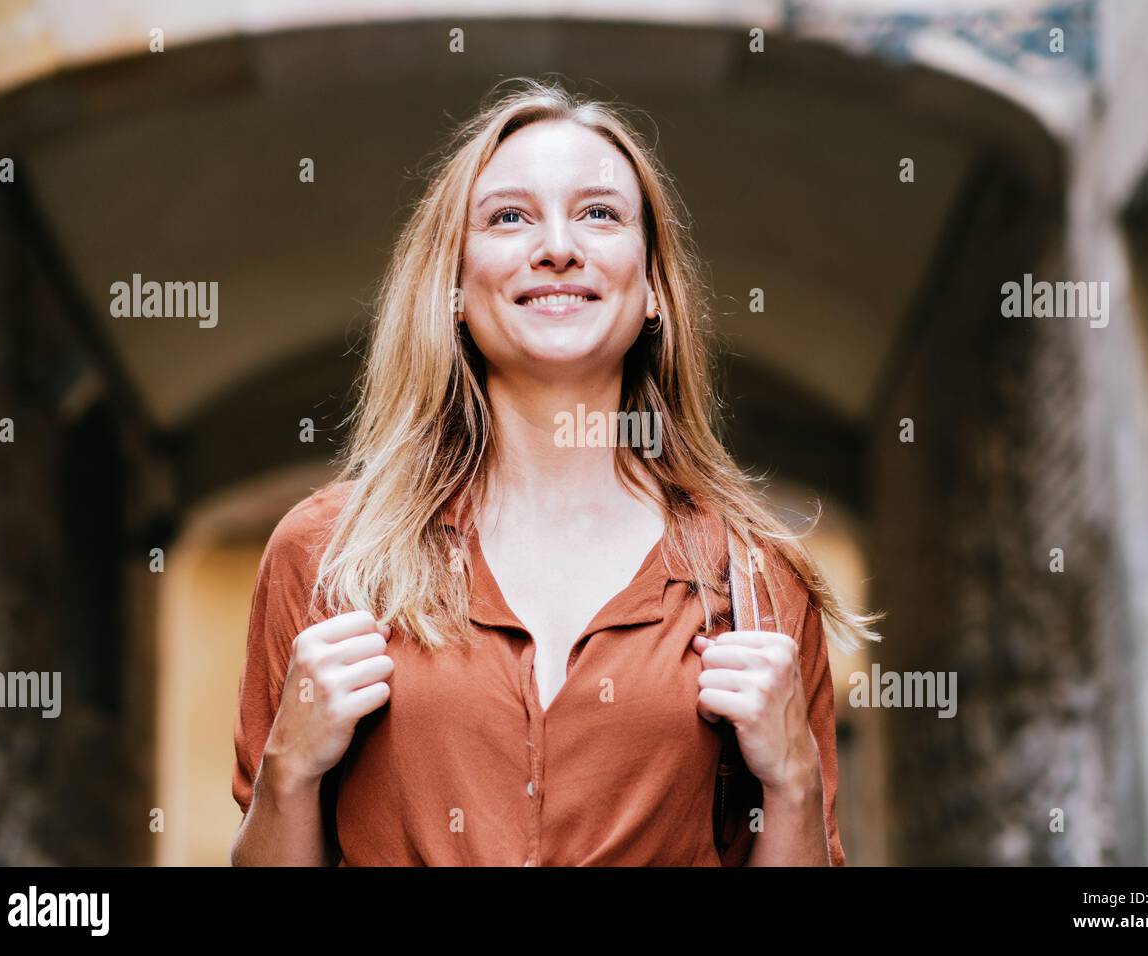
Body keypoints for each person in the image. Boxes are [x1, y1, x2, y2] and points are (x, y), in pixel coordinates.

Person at [230, 78, 881, 867]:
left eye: (600, 213)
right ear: (453, 292)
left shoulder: (755, 580)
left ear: (652, 293)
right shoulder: (328, 554)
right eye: (509, 216)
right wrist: (289, 772)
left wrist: (795, 784)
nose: (558, 246)